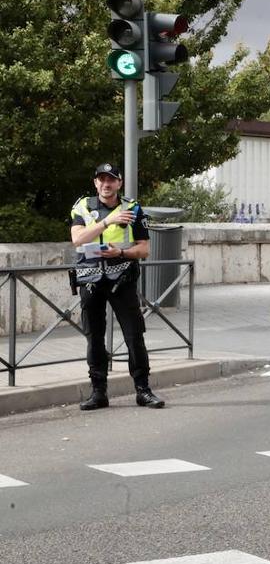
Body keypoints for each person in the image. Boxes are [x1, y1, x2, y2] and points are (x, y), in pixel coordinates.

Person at [69, 163, 165, 411]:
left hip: (121, 279)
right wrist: (107, 222)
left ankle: (143, 390)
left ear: (119, 183)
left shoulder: (132, 208)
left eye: (111, 180)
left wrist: (120, 252)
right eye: (101, 179)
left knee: (134, 336)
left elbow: (144, 249)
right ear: (95, 183)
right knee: (95, 338)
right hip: (90, 280)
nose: (106, 184)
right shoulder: (83, 206)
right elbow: (77, 239)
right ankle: (98, 392)